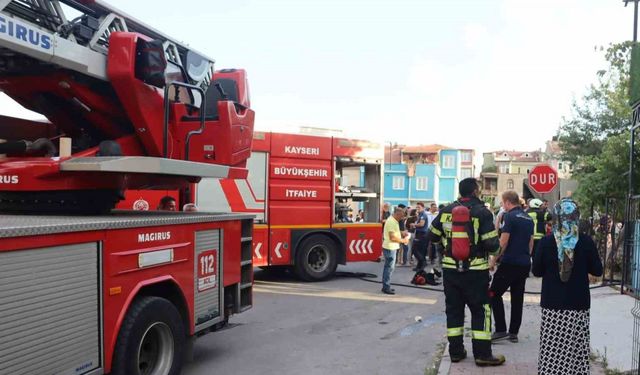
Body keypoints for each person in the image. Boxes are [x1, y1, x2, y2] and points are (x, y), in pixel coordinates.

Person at [429, 178, 505, 367]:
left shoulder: (446, 211)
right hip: (476, 272)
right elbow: (492, 244)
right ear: (475, 192)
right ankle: (483, 354)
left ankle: (455, 352)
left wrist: (448, 246)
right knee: (480, 311)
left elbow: (432, 235)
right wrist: (496, 254)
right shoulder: (482, 212)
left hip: (450, 270)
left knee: (454, 310)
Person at [533, 198, 603, 374]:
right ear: (576, 216)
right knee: (576, 349)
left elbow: (537, 271)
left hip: (552, 305)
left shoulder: (546, 242)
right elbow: (598, 270)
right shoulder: (586, 242)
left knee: (553, 348)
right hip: (578, 304)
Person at [489, 191, 534, 344]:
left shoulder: (509, 216)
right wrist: (527, 257)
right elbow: (531, 242)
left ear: (508, 202)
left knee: (493, 294)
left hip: (510, 262)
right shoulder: (528, 218)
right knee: (517, 297)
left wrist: (493, 261)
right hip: (524, 263)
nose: (502, 206)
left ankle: (500, 329)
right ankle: (513, 332)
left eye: (502, 203)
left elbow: (503, 242)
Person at [381, 207, 409, 295]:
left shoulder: (392, 220)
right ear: (397, 214)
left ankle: (386, 286)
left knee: (389, 267)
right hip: (390, 247)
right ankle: (386, 287)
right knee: (389, 268)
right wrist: (403, 240)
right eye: (400, 216)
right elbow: (392, 237)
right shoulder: (391, 222)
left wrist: (401, 233)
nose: (401, 218)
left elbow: (394, 232)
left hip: (390, 247)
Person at [410, 202, 429, 272]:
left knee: (415, 250)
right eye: (417, 207)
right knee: (419, 251)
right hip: (419, 233)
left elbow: (421, 224)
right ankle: (419, 266)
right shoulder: (420, 215)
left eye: (419, 207)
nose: (417, 209)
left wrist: (414, 225)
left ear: (423, 208)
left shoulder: (423, 215)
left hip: (422, 234)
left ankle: (423, 263)